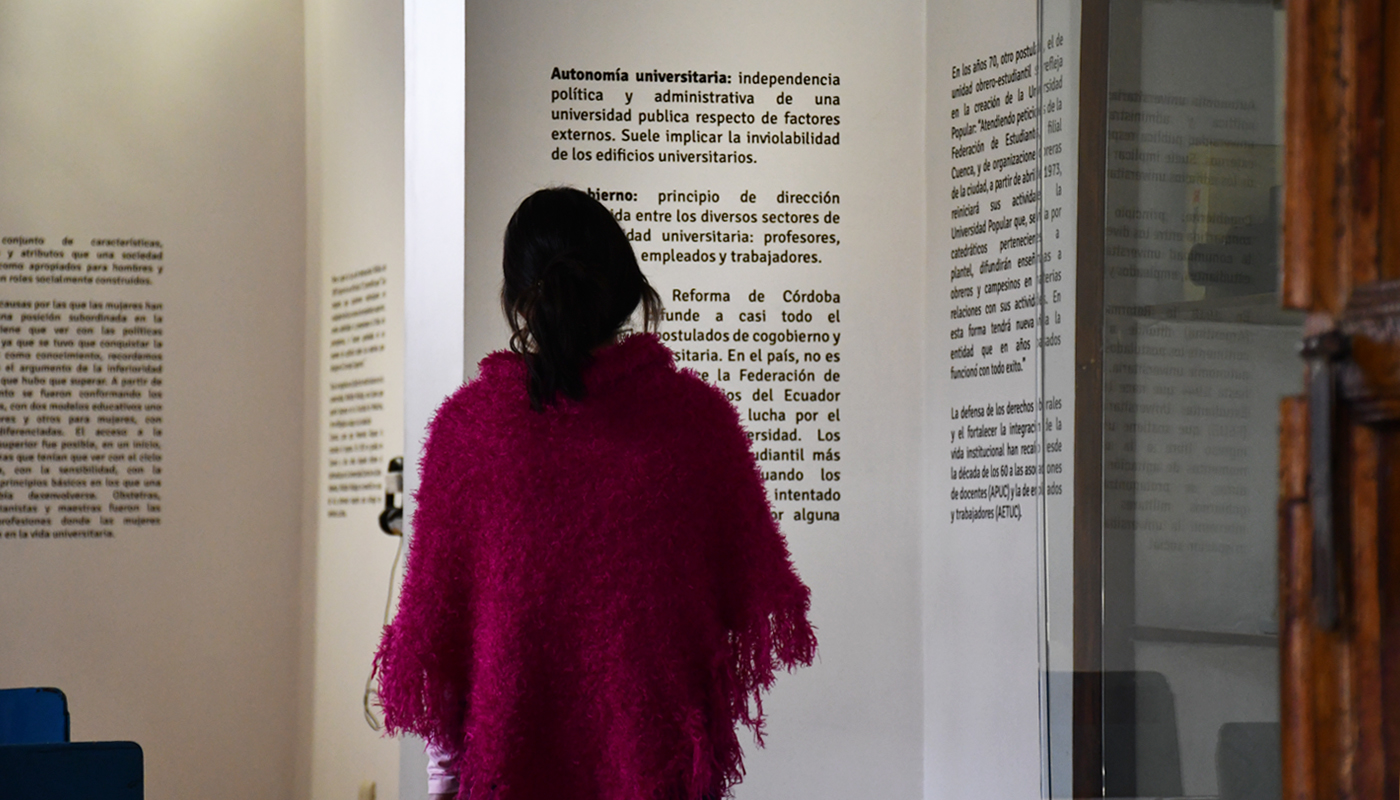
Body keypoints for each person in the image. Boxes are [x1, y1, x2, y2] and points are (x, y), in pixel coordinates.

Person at [373, 187, 816, 800]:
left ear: (515, 300)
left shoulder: (468, 432)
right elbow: (719, 626)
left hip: (506, 776)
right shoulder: (698, 423)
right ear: (628, 289)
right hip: (656, 774)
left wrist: (445, 783)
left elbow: (443, 645)